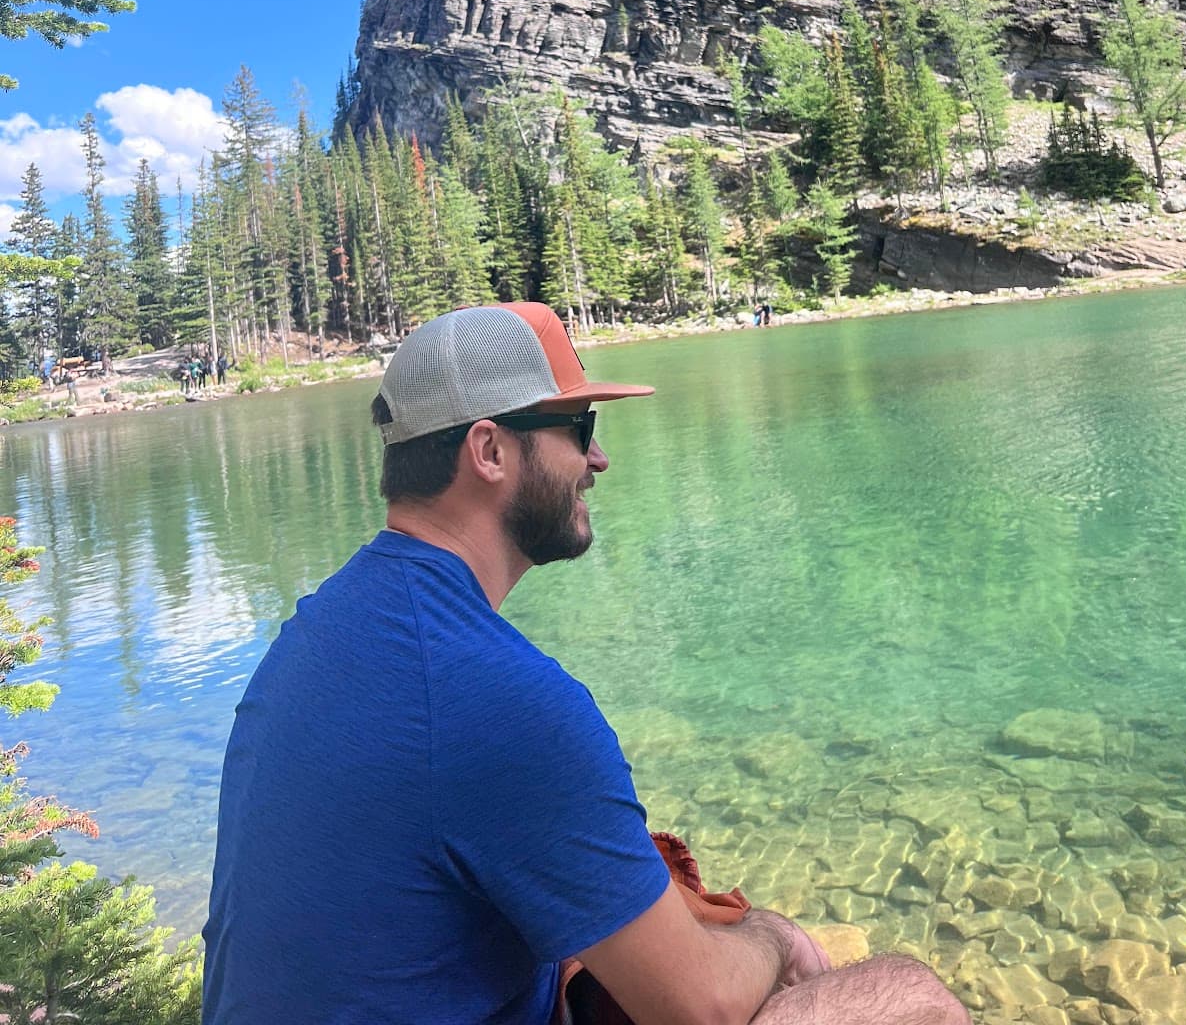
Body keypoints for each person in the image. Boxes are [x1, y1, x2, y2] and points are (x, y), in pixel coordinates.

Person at [202, 303, 968, 1025]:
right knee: (909, 996)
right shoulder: (498, 697)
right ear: (490, 450)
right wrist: (770, 935)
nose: (598, 458)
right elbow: (698, 1009)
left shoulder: (319, 630)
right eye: (580, 425)